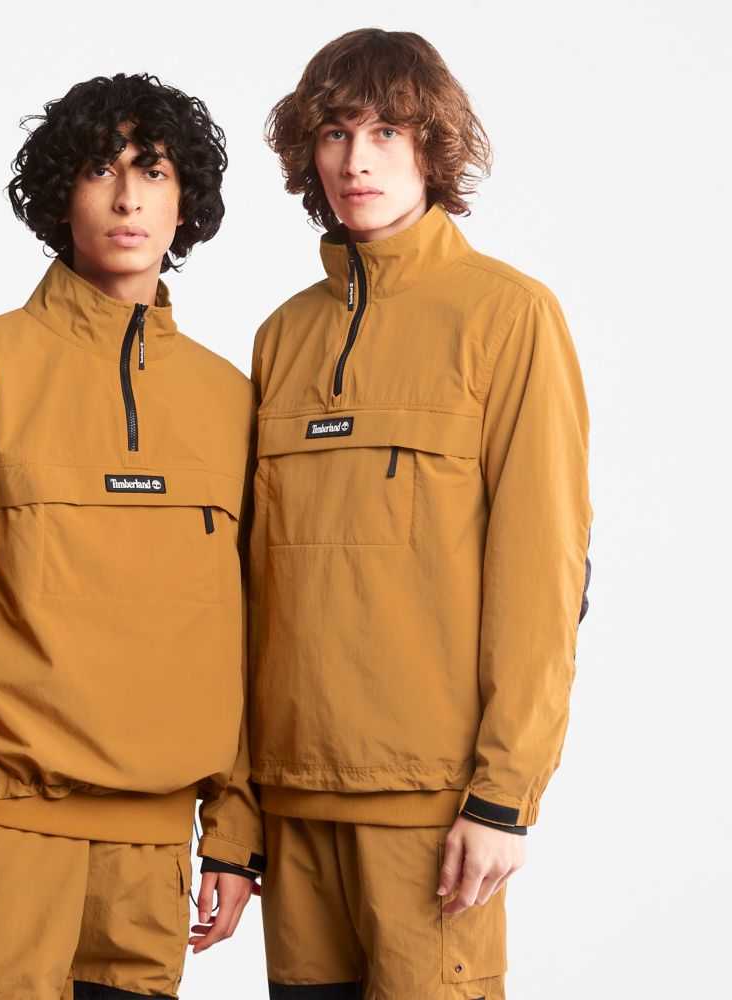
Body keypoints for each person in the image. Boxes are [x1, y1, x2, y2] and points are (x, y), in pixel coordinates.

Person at [0, 72, 263, 1000]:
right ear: (61, 196)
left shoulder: (230, 400)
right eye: (99, 169)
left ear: (184, 202)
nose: (128, 198)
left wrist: (236, 834)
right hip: (9, 837)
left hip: (157, 854)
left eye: (153, 172)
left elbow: (254, 632)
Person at [247, 29, 593, 998]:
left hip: (432, 807)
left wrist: (503, 796)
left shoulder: (508, 315)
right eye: (334, 133)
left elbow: (544, 576)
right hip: (292, 798)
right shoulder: (281, 336)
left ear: (432, 148)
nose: (356, 160)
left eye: (386, 132)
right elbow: (250, 588)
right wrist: (238, 813)